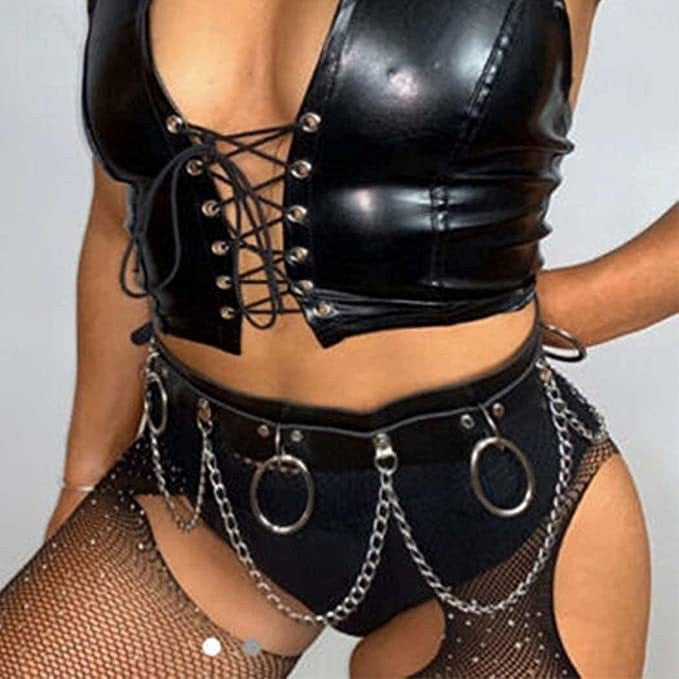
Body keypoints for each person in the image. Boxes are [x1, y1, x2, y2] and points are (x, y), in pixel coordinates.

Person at [0, 0, 675, 676]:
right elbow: (121, 219)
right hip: (204, 487)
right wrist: (85, 474)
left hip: (498, 506)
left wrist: (553, 307)